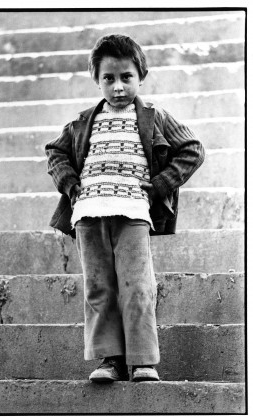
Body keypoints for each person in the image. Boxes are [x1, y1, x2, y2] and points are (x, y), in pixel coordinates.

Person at [45, 34, 205, 383]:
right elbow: (54, 152)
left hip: (133, 212)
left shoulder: (154, 116)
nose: (118, 87)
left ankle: (142, 361)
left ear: (141, 76)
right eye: (108, 78)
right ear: (97, 79)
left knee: (136, 285)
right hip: (88, 215)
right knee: (99, 287)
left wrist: (161, 184)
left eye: (126, 77)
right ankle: (109, 361)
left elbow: (192, 149)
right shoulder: (82, 121)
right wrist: (71, 184)